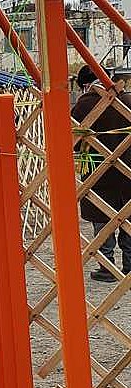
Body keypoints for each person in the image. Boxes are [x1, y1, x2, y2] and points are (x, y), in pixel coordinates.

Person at [71, 65, 131, 280]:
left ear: (86, 84)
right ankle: (130, 265)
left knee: (102, 218)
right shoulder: (128, 100)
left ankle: (107, 268)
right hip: (129, 170)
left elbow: (73, 140)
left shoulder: (83, 105)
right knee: (128, 217)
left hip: (98, 172)